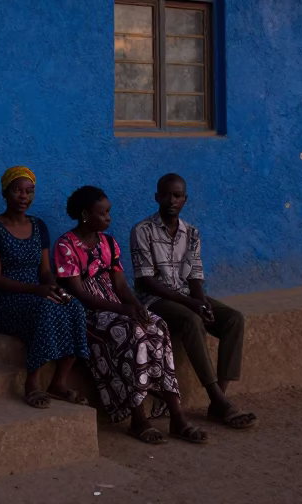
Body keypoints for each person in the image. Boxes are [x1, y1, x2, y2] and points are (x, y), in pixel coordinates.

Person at [55, 185, 208, 445]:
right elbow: (80, 294)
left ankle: (177, 416)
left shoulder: (108, 242)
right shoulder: (66, 246)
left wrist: (137, 308)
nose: (108, 218)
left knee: (157, 326)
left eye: (109, 213)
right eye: (103, 213)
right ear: (84, 214)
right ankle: (138, 419)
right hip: (89, 314)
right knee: (133, 333)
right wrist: (122, 311)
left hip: (116, 307)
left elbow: (121, 286)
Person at [131, 173, 257, 430]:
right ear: (156, 197)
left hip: (186, 295)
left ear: (185, 200)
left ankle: (217, 401)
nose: (171, 200)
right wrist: (192, 306)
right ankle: (218, 399)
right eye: (165, 194)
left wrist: (202, 303)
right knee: (191, 320)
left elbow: (195, 274)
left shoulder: (192, 232)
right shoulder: (142, 230)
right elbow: (145, 281)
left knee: (234, 319)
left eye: (177, 196)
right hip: (155, 300)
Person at [0, 166, 90, 409]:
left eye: (29, 191)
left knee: (75, 308)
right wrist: (37, 291)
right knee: (45, 310)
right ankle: (32, 382)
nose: (23, 197)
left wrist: (54, 289)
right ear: (5, 193)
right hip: (4, 300)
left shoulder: (39, 226)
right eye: (17, 191)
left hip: (37, 294)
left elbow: (45, 272)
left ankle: (58, 383)